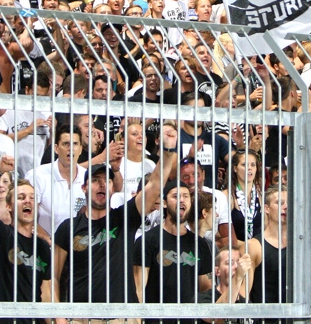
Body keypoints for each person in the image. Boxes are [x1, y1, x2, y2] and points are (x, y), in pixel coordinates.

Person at [52, 125, 178, 317]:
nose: (102, 184)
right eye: (95, 180)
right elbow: (54, 276)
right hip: (81, 319)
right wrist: (58, 317)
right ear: (84, 188)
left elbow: (154, 184)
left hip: (121, 318)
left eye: (107, 180)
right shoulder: (68, 228)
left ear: (113, 188)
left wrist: (168, 151)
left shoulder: (125, 217)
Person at [0, 156, 54, 319]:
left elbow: (46, 295)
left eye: (32, 198)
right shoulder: (1, 234)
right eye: (21, 198)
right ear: (8, 206)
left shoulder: (42, 246)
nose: (28, 201)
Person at [133, 183, 214, 320]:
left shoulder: (200, 244)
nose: (182, 200)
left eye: (186, 196)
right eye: (176, 196)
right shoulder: (148, 240)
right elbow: (138, 289)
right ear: (164, 203)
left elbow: (206, 288)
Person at [26, 124, 87, 234]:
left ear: (81, 149)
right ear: (56, 148)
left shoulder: (88, 177)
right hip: (43, 245)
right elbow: (27, 218)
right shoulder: (37, 176)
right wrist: (50, 243)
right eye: (65, 144)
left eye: (75, 144)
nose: (71, 148)